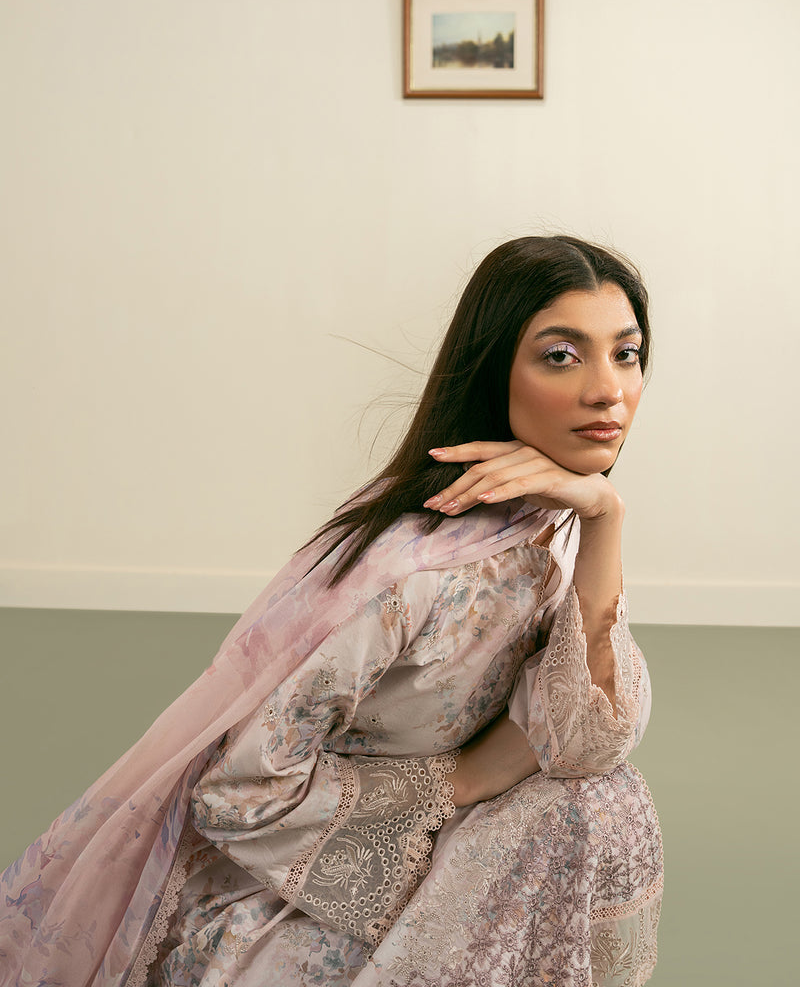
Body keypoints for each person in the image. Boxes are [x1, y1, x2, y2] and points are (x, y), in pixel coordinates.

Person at [0, 235, 663, 987]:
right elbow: (239, 795)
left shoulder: (553, 524)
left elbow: (591, 741)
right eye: (561, 356)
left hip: (437, 838)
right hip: (300, 890)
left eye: (626, 354)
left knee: (604, 800)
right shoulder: (412, 575)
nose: (608, 391)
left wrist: (605, 516)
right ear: (493, 370)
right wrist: (462, 781)